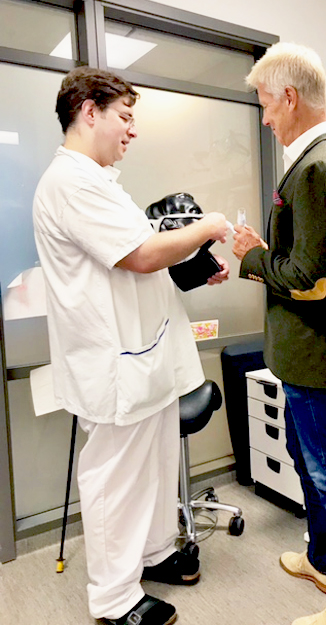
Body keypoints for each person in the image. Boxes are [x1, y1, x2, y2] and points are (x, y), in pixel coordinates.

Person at [32, 67, 229, 625]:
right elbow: (139, 255)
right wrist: (208, 226)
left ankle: (154, 553)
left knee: (155, 466)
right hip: (112, 365)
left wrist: (190, 266)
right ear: (88, 112)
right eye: (125, 117)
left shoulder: (98, 182)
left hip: (144, 358)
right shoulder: (70, 183)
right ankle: (114, 599)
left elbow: (138, 261)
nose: (132, 131)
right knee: (115, 480)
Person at [232, 43, 326, 625]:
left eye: (268, 105)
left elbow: (311, 281)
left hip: (315, 351)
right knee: (306, 459)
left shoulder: (320, 165)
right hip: (299, 353)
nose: (266, 117)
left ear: (290, 98)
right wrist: (268, 255)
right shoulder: (313, 161)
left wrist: (252, 255)